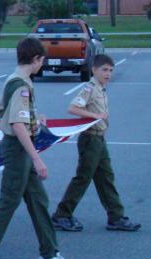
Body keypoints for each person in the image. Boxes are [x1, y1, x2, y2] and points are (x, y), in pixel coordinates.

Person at [0, 37, 80, 259]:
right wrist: (37, 158)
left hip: (19, 147)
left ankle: (49, 255)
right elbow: (16, 123)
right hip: (18, 150)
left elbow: (0, 109)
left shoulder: (14, 80)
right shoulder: (22, 86)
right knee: (9, 201)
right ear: (36, 59)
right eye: (42, 60)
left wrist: (34, 118)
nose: (42, 65)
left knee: (38, 201)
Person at [51, 54, 141, 232]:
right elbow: (73, 108)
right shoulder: (90, 88)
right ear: (94, 70)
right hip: (90, 139)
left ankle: (115, 217)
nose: (108, 74)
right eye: (104, 70)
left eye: (111, 70)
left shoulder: (101, 88)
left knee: (106, 178)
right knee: (83, 178)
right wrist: (96, 116)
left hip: (99, 139)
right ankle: (62, 214)